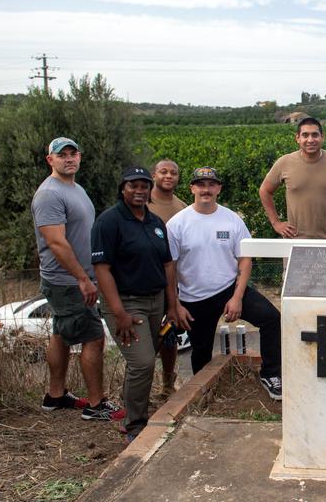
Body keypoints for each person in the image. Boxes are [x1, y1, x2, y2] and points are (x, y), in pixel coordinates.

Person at [167, 166, 283, 400]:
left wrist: (237, 297)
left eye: (211, 185)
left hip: (229, 289)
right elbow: (169, 267)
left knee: (271, 318)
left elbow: (245, 259)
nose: (206, 189)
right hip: (194, 298)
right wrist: (175, 304)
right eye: (200, 184)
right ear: (192, 188)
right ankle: (203, 392)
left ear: (219, 188)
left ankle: (271, 373)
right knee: (200, 350)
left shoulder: (232, 220)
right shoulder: (177, 224)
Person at [31, 137, 123, 421]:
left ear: (79, 157)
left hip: (73, 277)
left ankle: (55, 396)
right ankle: (96, 404)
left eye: (73, 154)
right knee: (93, 337)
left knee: (61, 334)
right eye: (62, 155)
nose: (69, 159)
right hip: (68, 280)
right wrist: (83, 278)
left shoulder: (74, 188)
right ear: (50, 160)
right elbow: (56, 243)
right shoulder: (49, 195)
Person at [91, 167, 185, 443]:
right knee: (143, 362)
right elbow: (102, 269)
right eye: (133, 185)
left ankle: (135, 409)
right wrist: (118, 312)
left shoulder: (154, 222)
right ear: (123, 188)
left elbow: (167, 265)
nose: (140, 190)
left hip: (156, 300)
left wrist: (172, 304)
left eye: (144, 185)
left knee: (146, 360)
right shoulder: (109, 222)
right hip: (127, 303)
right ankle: (135, 425)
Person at [259, 116, 326, 239]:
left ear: (322, 137)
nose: (310, 139)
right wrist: (276, 223)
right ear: (297, 138)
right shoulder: (284, 162)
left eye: (315, 135)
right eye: (305, 135)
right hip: (295, 241)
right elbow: (265, 190)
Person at [147, 159, 188, 395]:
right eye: (163, 172)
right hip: (147, 281)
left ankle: (167, 385)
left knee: (169, 336)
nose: (168, 176)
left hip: (174, 283)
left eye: (173, 172)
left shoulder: (182, 208)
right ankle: (140, 388)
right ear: (155, 175)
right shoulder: (144, 204)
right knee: (148, 340)